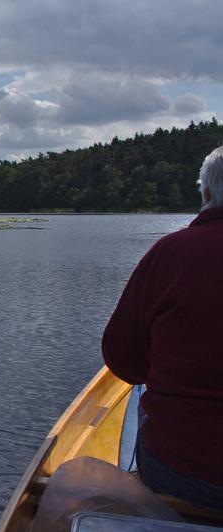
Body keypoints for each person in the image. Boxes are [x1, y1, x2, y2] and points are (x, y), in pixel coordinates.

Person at [102, 146, 223, 511]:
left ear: (205, 193)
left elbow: (123, 362)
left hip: (185, 475)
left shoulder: (170, 253)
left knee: (140, 395)